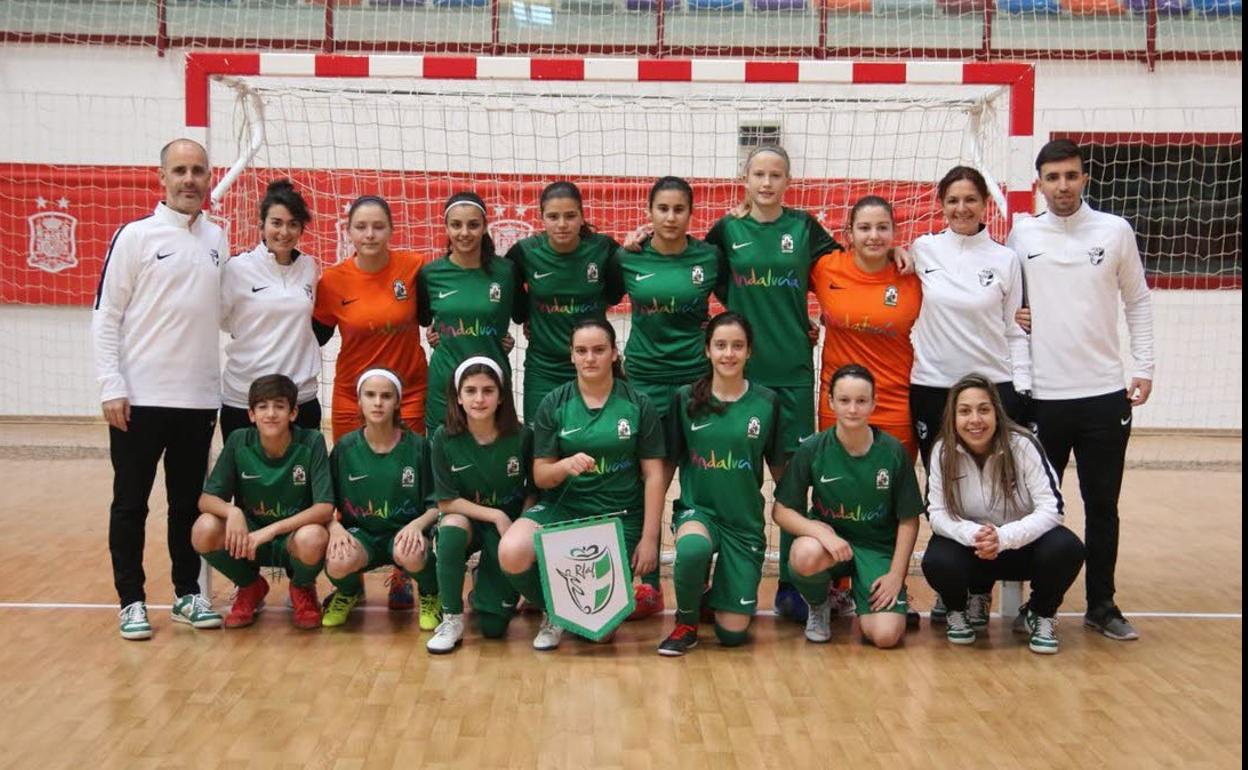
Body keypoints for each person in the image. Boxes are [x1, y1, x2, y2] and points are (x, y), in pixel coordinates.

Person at [1006, 139, 1154, 641]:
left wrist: (1144, 366)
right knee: (1037, 508)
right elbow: (1008, 303)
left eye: (1071, 175)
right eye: (1053, 177)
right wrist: (1015, 322)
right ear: (1039, 184)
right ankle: (1038, 604)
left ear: (1085, 177)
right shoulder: (1022, 234)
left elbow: (1138, 300)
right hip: (1042, 398)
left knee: (1102, 507)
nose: (1063, 186)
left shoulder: (1115, 231)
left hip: (1104, 396)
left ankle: (1102, 604)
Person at [93, 138, 228, 640]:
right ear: (162, 177)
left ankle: (187, 595)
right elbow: (106, 314)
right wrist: (111, 384)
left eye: (198, 170)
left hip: (198, 401)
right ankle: (131, 601)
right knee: (131, 504)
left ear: (209, 177)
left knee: (187, 505)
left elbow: (224, 312)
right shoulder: (135, 236)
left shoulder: (218, 239)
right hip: (139, 400)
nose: (190, 179)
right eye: (180, 170)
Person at [703, 145, 842, 622]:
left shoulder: (804, 228)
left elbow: (849, 269)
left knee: (791, 483)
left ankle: (791, 584)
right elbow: (693, 269)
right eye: (759, 174)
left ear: (788, 181)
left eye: (776, 175)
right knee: (732, 478)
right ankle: (721, 579)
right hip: (739, 378)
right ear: (744, 178)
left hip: (793, 374)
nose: (766, 182)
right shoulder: (726, 230)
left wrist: (898, 252)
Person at [497, 318, 666, 651]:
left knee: (600, 634)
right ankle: (554, 612)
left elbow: (654, 475)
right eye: (582, 351)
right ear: (571, 355)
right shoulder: (554, 402)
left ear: (614, 353)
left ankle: (572, 611)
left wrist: (649, 539)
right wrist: (564, 465)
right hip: (565, 509)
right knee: (512, 551)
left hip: (619, 516)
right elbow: (541, 475)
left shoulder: (638, 404)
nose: (590, 358)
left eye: (599, 350)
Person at [313, 194, 433, 612]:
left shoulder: (413, 268)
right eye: (361, 227)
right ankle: (351, 575)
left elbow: (436, 315)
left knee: (407, 479)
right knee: (354, 481)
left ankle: (404, 571)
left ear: (391, 230)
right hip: (353, 394)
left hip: (410, 390)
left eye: (378, 226)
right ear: (348, 231)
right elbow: (312, 333)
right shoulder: (332, 280)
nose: (370, 234)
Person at [618, 176, 722, 619]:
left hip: (696, 381)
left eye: (679, 209)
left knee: (699, 476)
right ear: (649, 212)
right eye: (662, 208)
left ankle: (702, 577)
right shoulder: (627, 256)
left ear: (691, 213)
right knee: (649, 478)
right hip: (644, 380)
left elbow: (745, 298)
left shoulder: (709, 257)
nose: (671, 216)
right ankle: (647, 581)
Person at [921, 374, 1086, 654]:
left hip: (1018, 547)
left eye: (983, 409)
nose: (975, 419)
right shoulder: (942, 451)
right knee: (937, 560)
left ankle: (1041, 612)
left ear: (997, 412)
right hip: (973, 547)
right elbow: (936, 513)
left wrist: (1003, 537)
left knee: (1067, 548)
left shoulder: (1023, 444)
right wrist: (975, 534)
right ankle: (958, 609)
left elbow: (1052, 508)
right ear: (953, 417)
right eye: (965, 411)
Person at [657, 313, 783, 656]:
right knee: (692, 549)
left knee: (732, 634)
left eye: (737, 346)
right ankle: (685, 623)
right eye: (721, 345)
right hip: (698, 512)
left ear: (749, 351)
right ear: (707, 350)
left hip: (743, 523)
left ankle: (713, 595)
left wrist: (800, 516)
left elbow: (779, 469)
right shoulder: (685, 399)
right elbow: (667, 464)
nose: (729, 354)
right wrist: (650, 524)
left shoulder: (767, 402)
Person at [772, 365, 921, 649]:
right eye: (844, 400)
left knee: (886, 636)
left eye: (861, 401)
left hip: (877, 548)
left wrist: (895, 575)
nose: (853, 409)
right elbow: (781, 511)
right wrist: (820, 532)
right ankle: (820, 604)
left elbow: (909, 520)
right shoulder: (813, 448)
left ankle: (863, 596)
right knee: (804, 553)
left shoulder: (893, 452)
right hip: (832, 546)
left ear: (874, 403)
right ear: (830, 402)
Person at [909, 166, 1031, 469]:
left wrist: (1022, 386)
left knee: (994, 481)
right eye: (953, 200)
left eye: (970, 199)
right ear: (941, 204)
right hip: (932, 385)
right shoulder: (923, 249)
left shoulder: (1005, 259)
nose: (961, 208)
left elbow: (1015, 329)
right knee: (940, 482)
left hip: (993, 385)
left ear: (985, 202)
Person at [193, 374, 334, 630]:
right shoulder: (239, 441)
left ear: (293, 413)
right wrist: (233, 512)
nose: (270, 414)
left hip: (292, 539)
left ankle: (302, 587)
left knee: (313, 537)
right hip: (249, 540)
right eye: (262, 407)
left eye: (279, 406)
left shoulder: (312, 441)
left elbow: (324, 507)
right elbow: (206, 499)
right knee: (204, 528)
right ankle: (250, 586)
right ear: (251, 414)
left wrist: (272, 530)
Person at [427, 357, 536, 653]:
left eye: (488, 390)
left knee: (493, 629)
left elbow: (534, 491)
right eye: (470, 391)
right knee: (451, 529)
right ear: (458, 397)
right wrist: (496, 515)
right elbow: (446, 501)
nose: (479, 399)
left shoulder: (522, 436)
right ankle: (451, 618)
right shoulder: (443, 437)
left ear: (501, 397)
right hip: (471, 520)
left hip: (507, 531)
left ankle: (485, 588)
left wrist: (522, 528)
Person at [320, 369, 442, 631]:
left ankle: (431, 594)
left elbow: (437, 505)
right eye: (370, 395)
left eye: (386, 396)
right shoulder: (345, 448)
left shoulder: (418, 447)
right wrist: (334, 527)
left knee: (410, 552)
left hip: (403, 534)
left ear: (397, 402)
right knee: (338, 559)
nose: (378, 402)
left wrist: (416, 525)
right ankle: (349, 592)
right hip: (362, 535)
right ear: (359, 400)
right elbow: (324, 504)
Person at [811, 195, 923, 460]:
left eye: (882, 227)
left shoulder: (912, 275)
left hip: (895, 401)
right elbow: (781, 289)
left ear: (894, 232)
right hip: (840, 402)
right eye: (864, 228)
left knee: (892, 480)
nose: (874, 236)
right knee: (838, 479)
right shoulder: (826, 268)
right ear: (849, 233)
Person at [504, 181, 623, 421]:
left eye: (570, 216)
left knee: (595, 437)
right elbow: (512, 301)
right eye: (553, 216)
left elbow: (615, 294)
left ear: (582, 216)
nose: (561, 224)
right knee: (540, 438)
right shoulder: (525, 253)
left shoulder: (603, 249)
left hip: (593, 365)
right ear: (542, 218)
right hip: (544, 368)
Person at [220, 179, 322, 440]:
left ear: (301, 229)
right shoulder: (237, 269)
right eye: (276, 223)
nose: (284, 232)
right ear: (261, 225)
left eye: (293, 224)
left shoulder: (309, 267)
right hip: (245, 398)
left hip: (300, 398)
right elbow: (221, 320)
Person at [417, 192, 522, 434]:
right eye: (456, 225)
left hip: (491, 384)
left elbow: (522, 314)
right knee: (442, 451)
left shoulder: (506, 272)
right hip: (444, 384)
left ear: (485, 226)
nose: (464, 233)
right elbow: (424, 319)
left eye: (473, 225)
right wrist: (437, 335)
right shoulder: (430, 274)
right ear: (446, 227)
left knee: (494, 450)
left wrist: (499, 338)